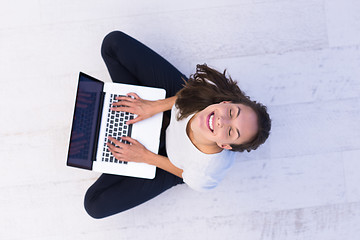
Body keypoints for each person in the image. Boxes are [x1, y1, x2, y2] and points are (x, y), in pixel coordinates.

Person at [84, 31, 271, 219]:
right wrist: (152, 106)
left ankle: (136, 131)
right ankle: (138, 114)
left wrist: (144, 156)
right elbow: (185, 96)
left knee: (94, 204)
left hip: (172, 161)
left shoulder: (206, 173)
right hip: (176, 107)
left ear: (224, 145)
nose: (222, 121)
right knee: (113, 44)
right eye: (231, 112)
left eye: (231, 131)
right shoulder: (212, 94)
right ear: (226, 102)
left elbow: (184, 174)